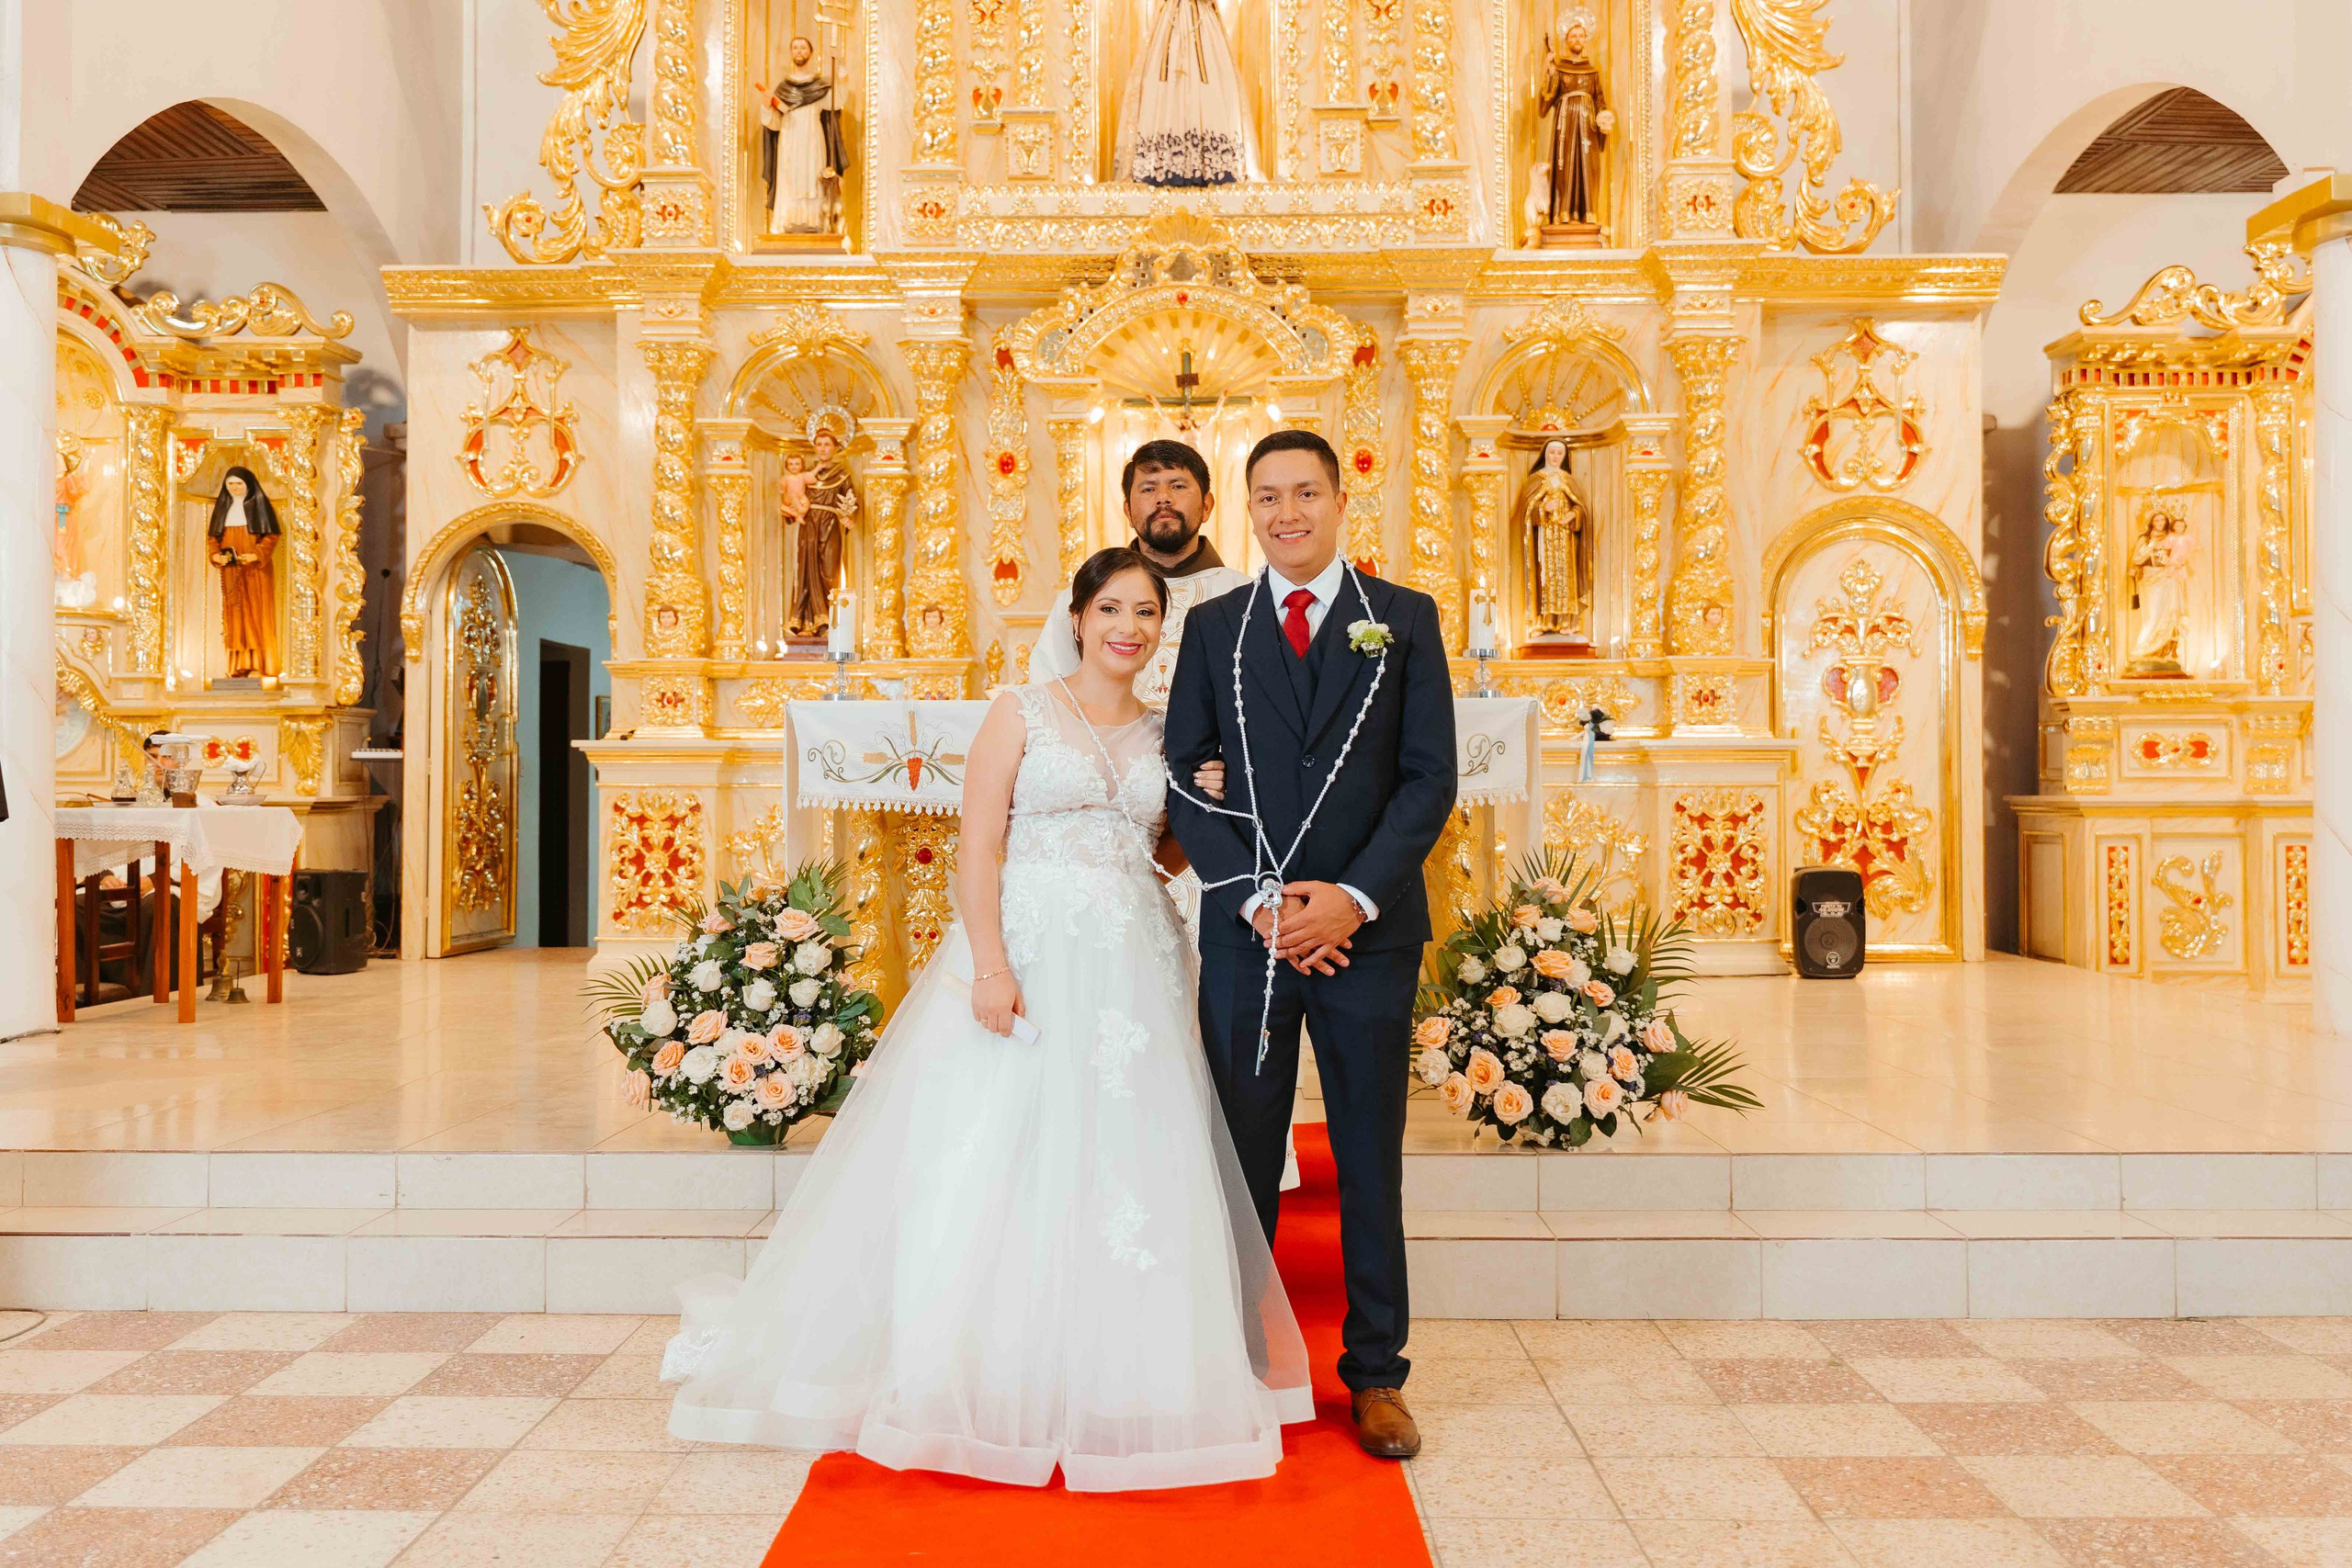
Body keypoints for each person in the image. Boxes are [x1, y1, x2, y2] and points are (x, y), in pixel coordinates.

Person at [664, 547, 1313, 1490]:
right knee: (996, 1146)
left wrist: (1197, 807)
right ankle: (976, 1370)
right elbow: (979, 848)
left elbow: (1162, 858)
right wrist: (993, 967)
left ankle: (1126, 1371)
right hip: (1031, 952)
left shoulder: (1170, 732)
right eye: (1112, 609)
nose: (1128, 628)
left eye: (1145, 613)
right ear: (1080, 615)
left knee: (1129, 1149)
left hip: (1133, 961)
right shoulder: (1019, 711)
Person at [1163, 428, 1457, 1461]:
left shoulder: (1404, 620)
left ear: (1340, 500)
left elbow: (1429, 780)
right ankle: (1242, 1355)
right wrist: (1256, 902)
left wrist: (1353, 900)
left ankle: (1375, 1374)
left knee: (1369, 1154)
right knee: (1241, 1149)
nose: (1286, 512)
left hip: (1366, 938)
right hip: (1251, 936)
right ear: (1246, 511)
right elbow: (1182, 771)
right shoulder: (1214, 627)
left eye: (1305, 493)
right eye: (1267, 496)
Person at [1031, 438, 1244, 705]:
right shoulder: (1083, 596)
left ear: (1206, 506)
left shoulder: (1244, 596)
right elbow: (1048, 691)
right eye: (1148, 489)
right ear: (1128, 512)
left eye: (1178, 486)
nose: (1163, 498)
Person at [1113, 0, 1251, 186]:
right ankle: (1162, 165)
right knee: (1163, 86)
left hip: (1202, 22)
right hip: (1171, 23)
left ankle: (1211, 165)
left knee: (1209, 86)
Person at [207, 468, 280, 678]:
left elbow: (271, 536)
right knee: (235, 617)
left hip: (256, 571)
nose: (235, 488)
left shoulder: (259, 507)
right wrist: (215, 556)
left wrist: (256, 555)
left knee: (257, 615)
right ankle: (238, 666)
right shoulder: (223, 509)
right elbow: (214, 538)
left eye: (239, 484)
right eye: (231, 484)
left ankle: (260, 665)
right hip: (231, 572)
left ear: (248, 485)